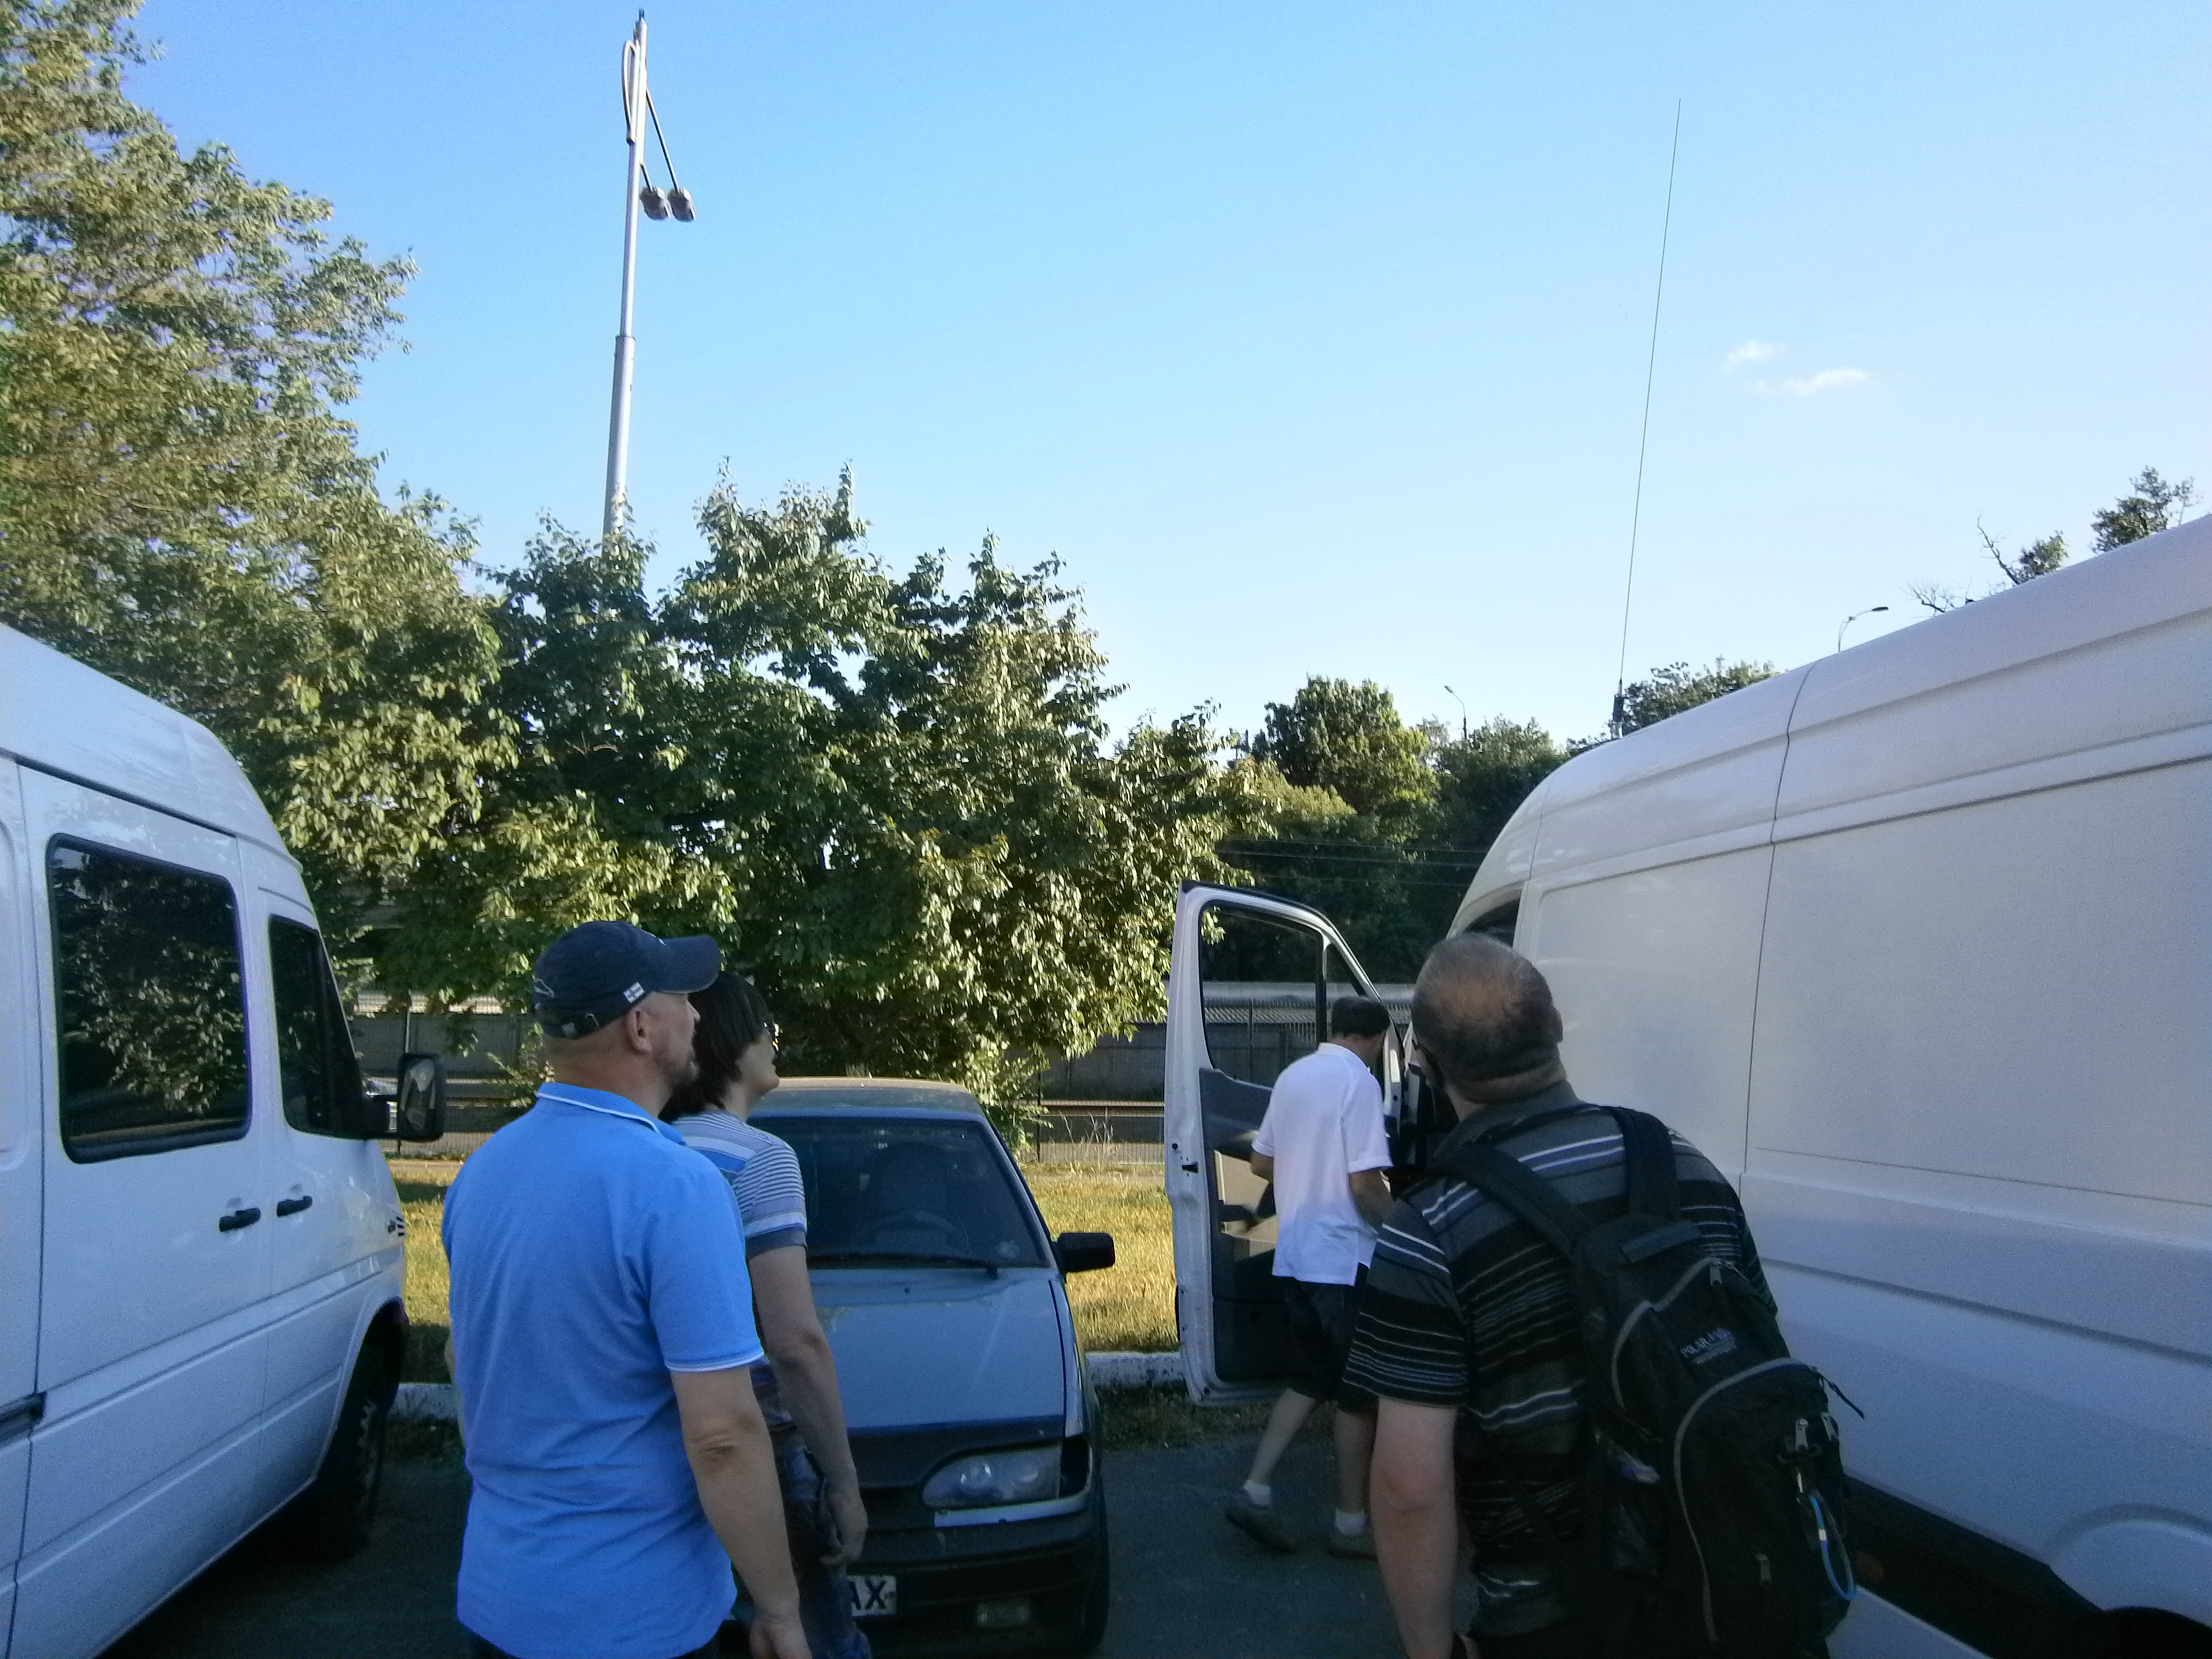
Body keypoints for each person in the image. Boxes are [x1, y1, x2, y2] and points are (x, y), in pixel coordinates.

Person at [1346, 933, 1769, 1659]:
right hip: (1726, 1585)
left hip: (1557, 1613)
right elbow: (1754, 1346)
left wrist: (1430, 1649)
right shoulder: (1683, 1164)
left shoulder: (1431, 1229)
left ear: (1429, 1065)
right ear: (1556, 1027)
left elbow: (1412, 1490)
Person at [443, 922, 809, 1659]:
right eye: (683, 998)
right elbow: (723, 1434)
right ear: (642, 1027)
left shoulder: (483, 1171)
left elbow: (462, 1362)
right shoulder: (676, 1186)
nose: (698, 1015)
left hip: (498, 1597)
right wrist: (779, 1608)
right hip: (636, 1616)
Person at [664, 973, 872, 1659]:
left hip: (662, 1445)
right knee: (811, 1636)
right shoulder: (760, 1159)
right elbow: (793, 1342)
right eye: (765, 1028)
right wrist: (842, 1480)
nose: (773, 1041)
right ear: (731, 1043)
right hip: (759, 1450)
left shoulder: (650, 1150)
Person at [1223, 994, 1396, 1558]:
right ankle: (1350, 1525)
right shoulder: (1359, 1083)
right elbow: (1365, 1185)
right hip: (1342, 1259)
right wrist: (1404, 1230)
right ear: (1377, 1040)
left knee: (1309, 1379)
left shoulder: (1294, 1076)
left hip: (1296, 1254)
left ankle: (1255, 1489)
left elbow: (1261, 1162)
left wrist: (1309, 1165)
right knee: (1357, 1396)